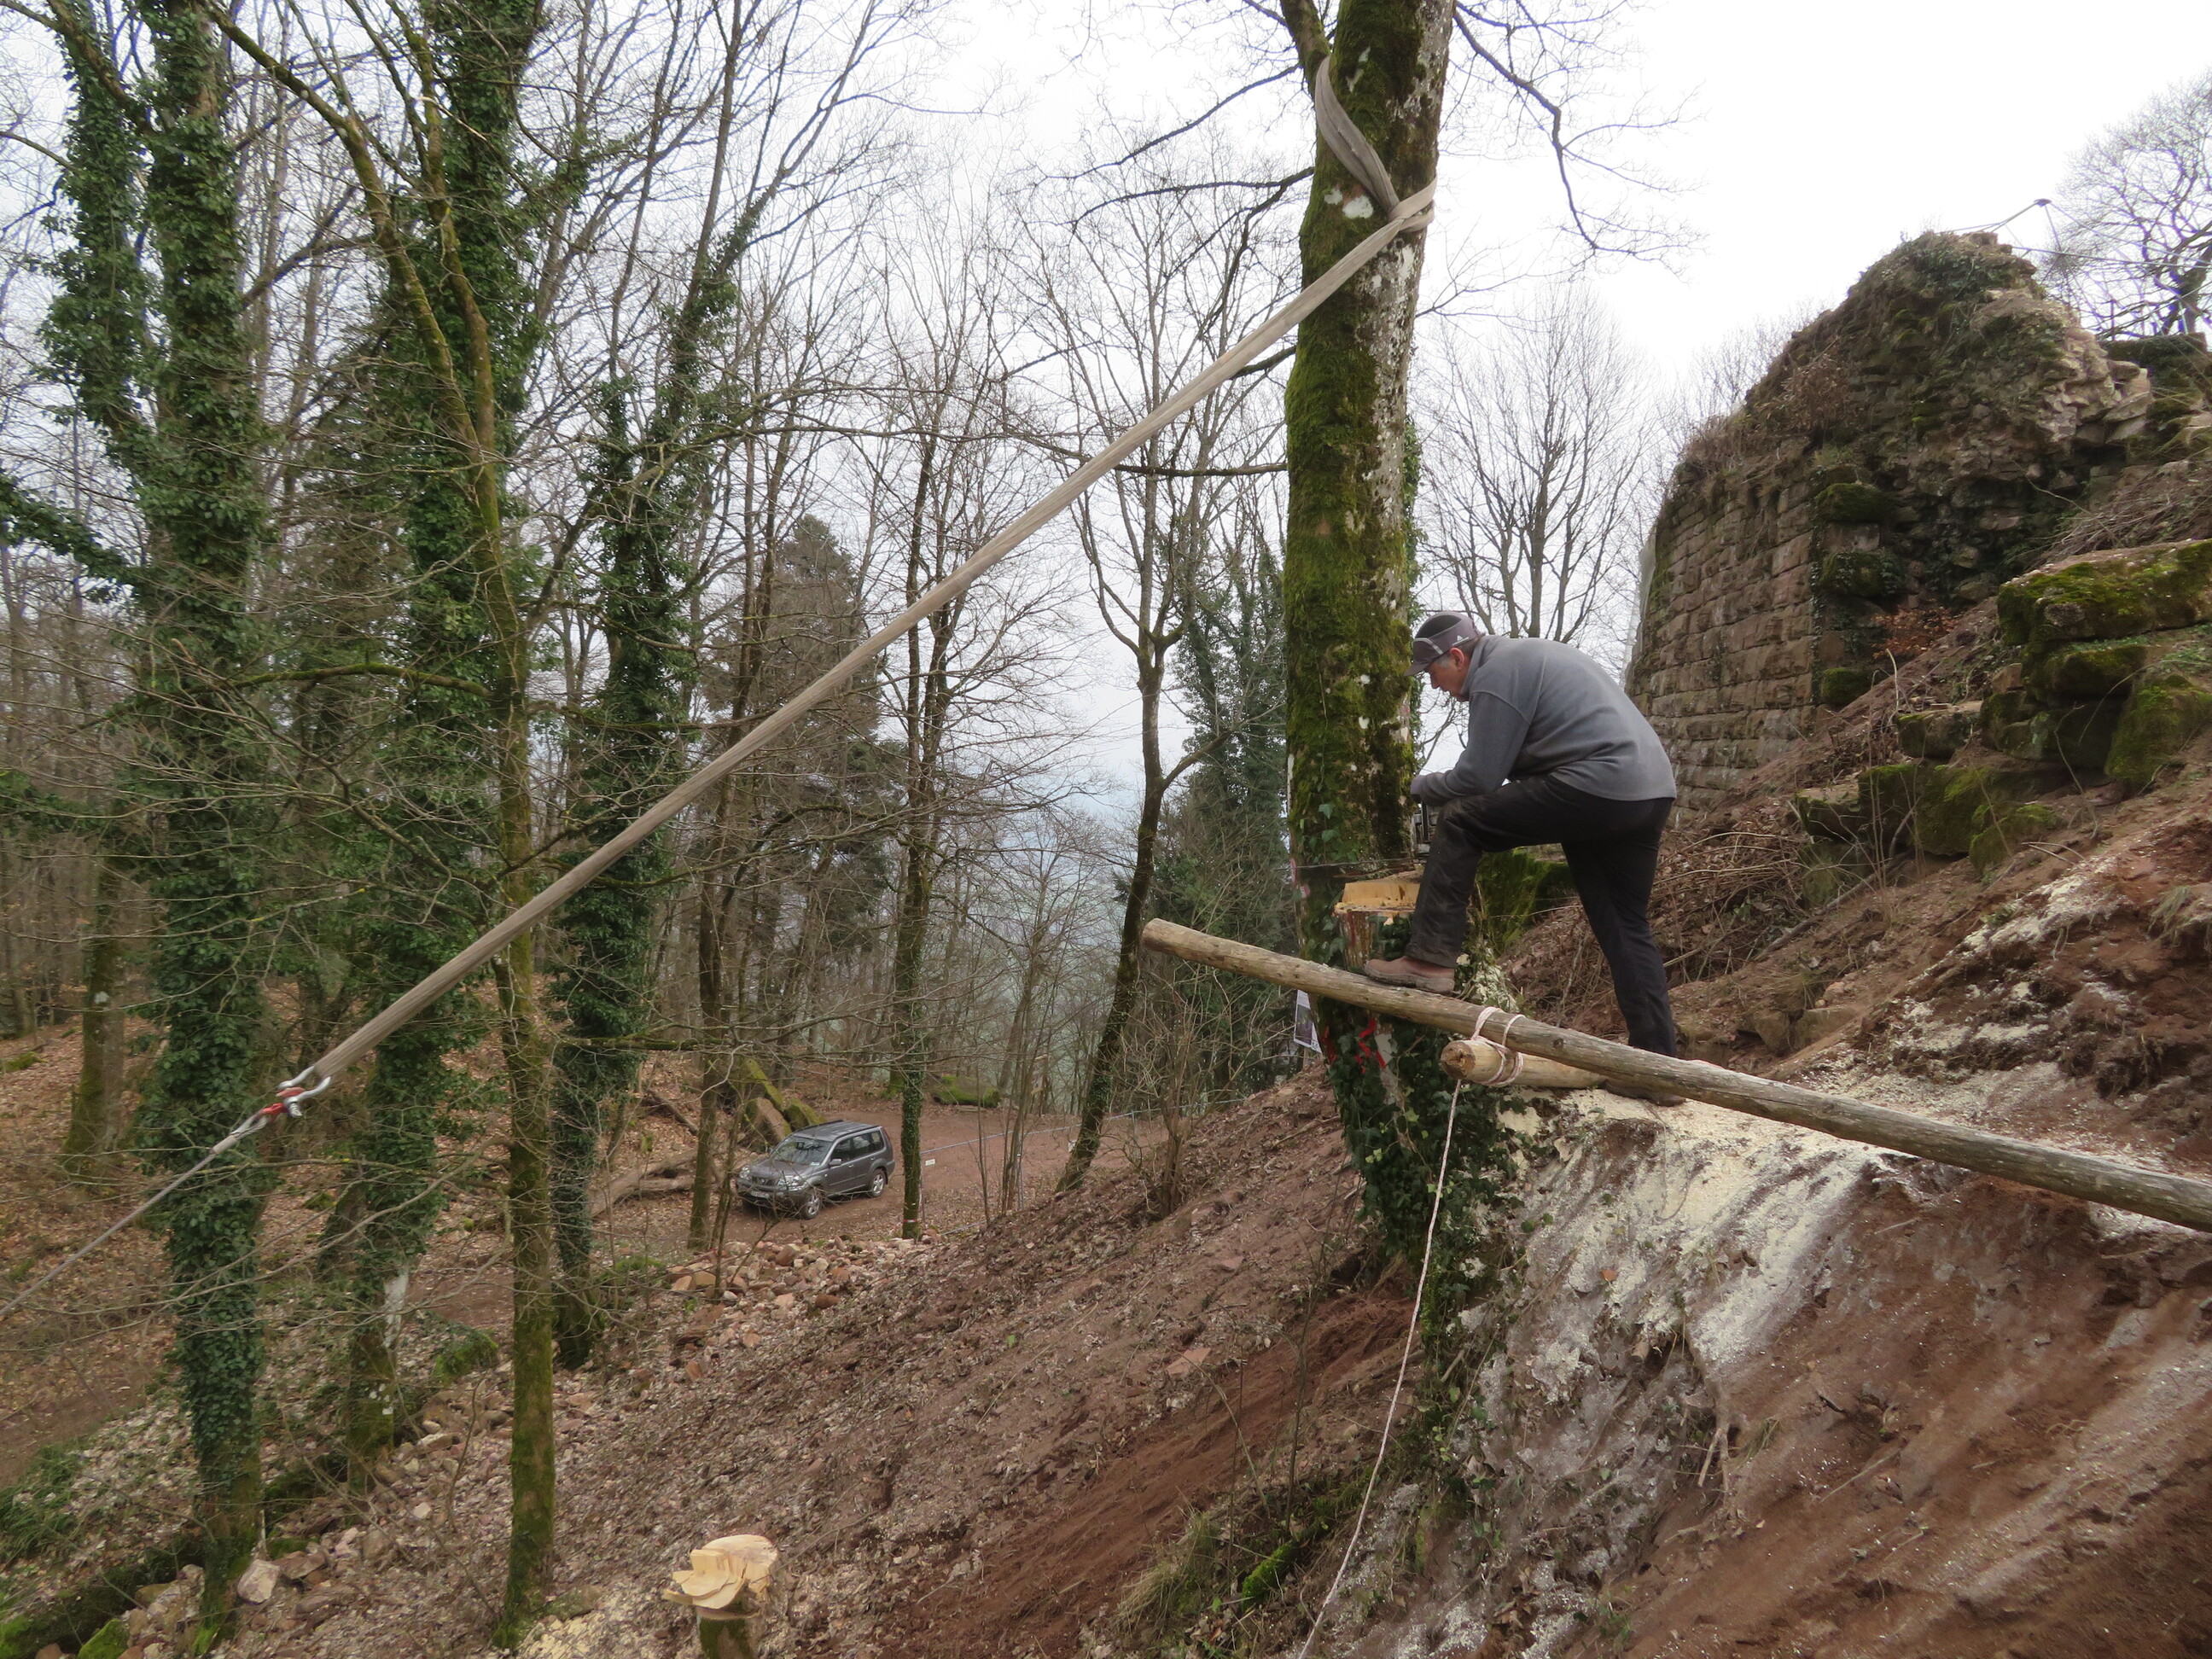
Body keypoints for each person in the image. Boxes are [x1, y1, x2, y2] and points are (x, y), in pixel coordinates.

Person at [1363, 611, 1682, 1097]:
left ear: (1457, 657)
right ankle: (1657, 1068)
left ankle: (1428, 962)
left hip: (1598, 785)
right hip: (1647, 794)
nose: (1434, 685)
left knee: (1461, 820)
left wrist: (1419, 787)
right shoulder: (1526, 658)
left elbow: (1479, 777)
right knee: (1623, 924)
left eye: (1433, 672)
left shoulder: (1496, 673)